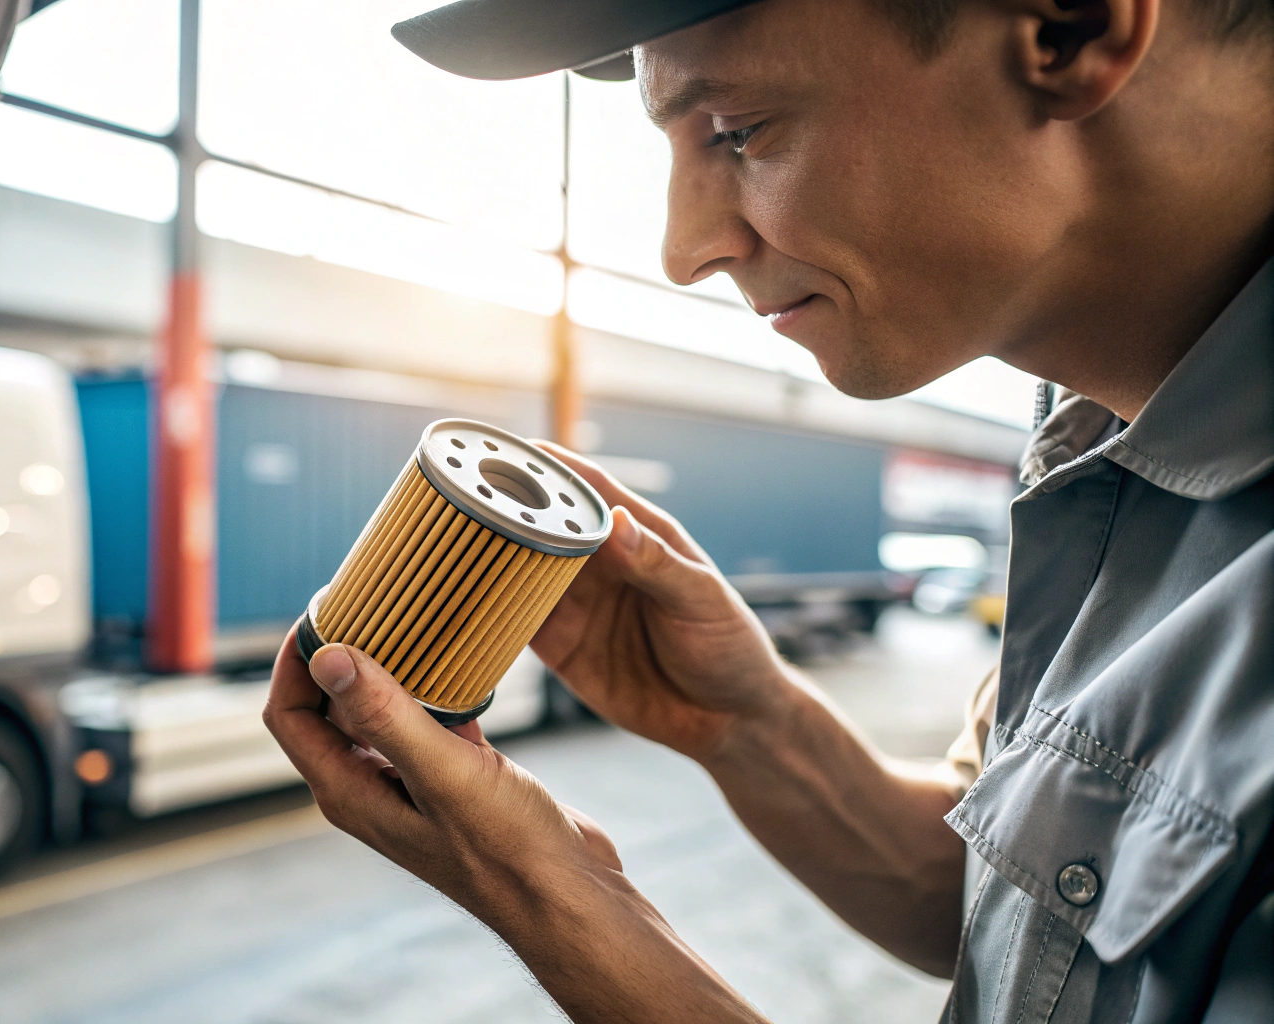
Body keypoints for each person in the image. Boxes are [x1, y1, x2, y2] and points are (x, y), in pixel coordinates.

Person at [261, 0, 1274, 1019]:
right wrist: (749, 724)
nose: (682, 248)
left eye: (737, 132)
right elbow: (995, 901)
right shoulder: (1091, 452)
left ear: (1068, 28)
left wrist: (555, 902)